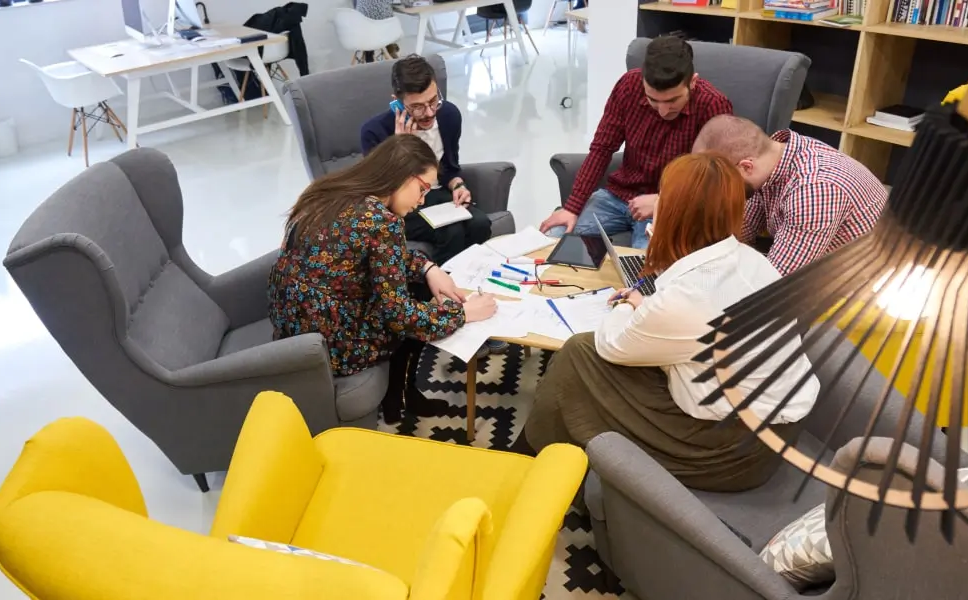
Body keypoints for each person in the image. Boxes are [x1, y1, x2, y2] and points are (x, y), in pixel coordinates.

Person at [514, 153, 819, 491]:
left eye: (663, 201)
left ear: (675, 218)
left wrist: (626, 307)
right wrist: (646, 303)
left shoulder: (690, 297)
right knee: (586, 362)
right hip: (769, 427)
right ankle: (547, 464)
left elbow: (612, 345)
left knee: (579, 354)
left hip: (733, 451)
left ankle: (525, 466)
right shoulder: (750, 261)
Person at [269, 134, 498, 424]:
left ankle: (398, 396)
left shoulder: (329, 192)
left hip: (292, 328)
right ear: (402, 175)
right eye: (422, 188)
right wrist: (464, 313)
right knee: (416, 309)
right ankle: (400, 396)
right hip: (333, 346)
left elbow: (373, 259)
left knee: (414, 290)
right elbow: (399, 316)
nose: (423, 200)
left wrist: (428, 267)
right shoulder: (381, 221)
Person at [538, 35, 733, 250]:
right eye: (653, 100)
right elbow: (602, 148)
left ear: (693, 82)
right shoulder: (628, 86)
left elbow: (715, 181)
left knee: (645, 270)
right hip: (618, 196)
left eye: (672, 101)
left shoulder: (713, 105)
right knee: (554, 240)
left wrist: (663, 200)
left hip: (670, 207)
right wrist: (572, 207)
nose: (663, 111)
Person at [693, 115, 888, 275]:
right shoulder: (771, 160)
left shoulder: (813, 191)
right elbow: (737, 234)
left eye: (718, 178)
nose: (717, 189)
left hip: (860, 287)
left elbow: (774, 283)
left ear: (746, 166)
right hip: (815, 267)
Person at [361, 55, 493, 266]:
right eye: (418, 107)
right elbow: (382, 193)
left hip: (438, 195)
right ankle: (439, 291)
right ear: (397, 101)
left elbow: (450, 169)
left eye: (433, 101)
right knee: (452, 231)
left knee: (480, 223)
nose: (429, 112)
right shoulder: (374, 132)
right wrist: (402, 147)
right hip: (401, 205)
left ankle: (474, 279)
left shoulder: (449, 115)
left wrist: (458, 185)